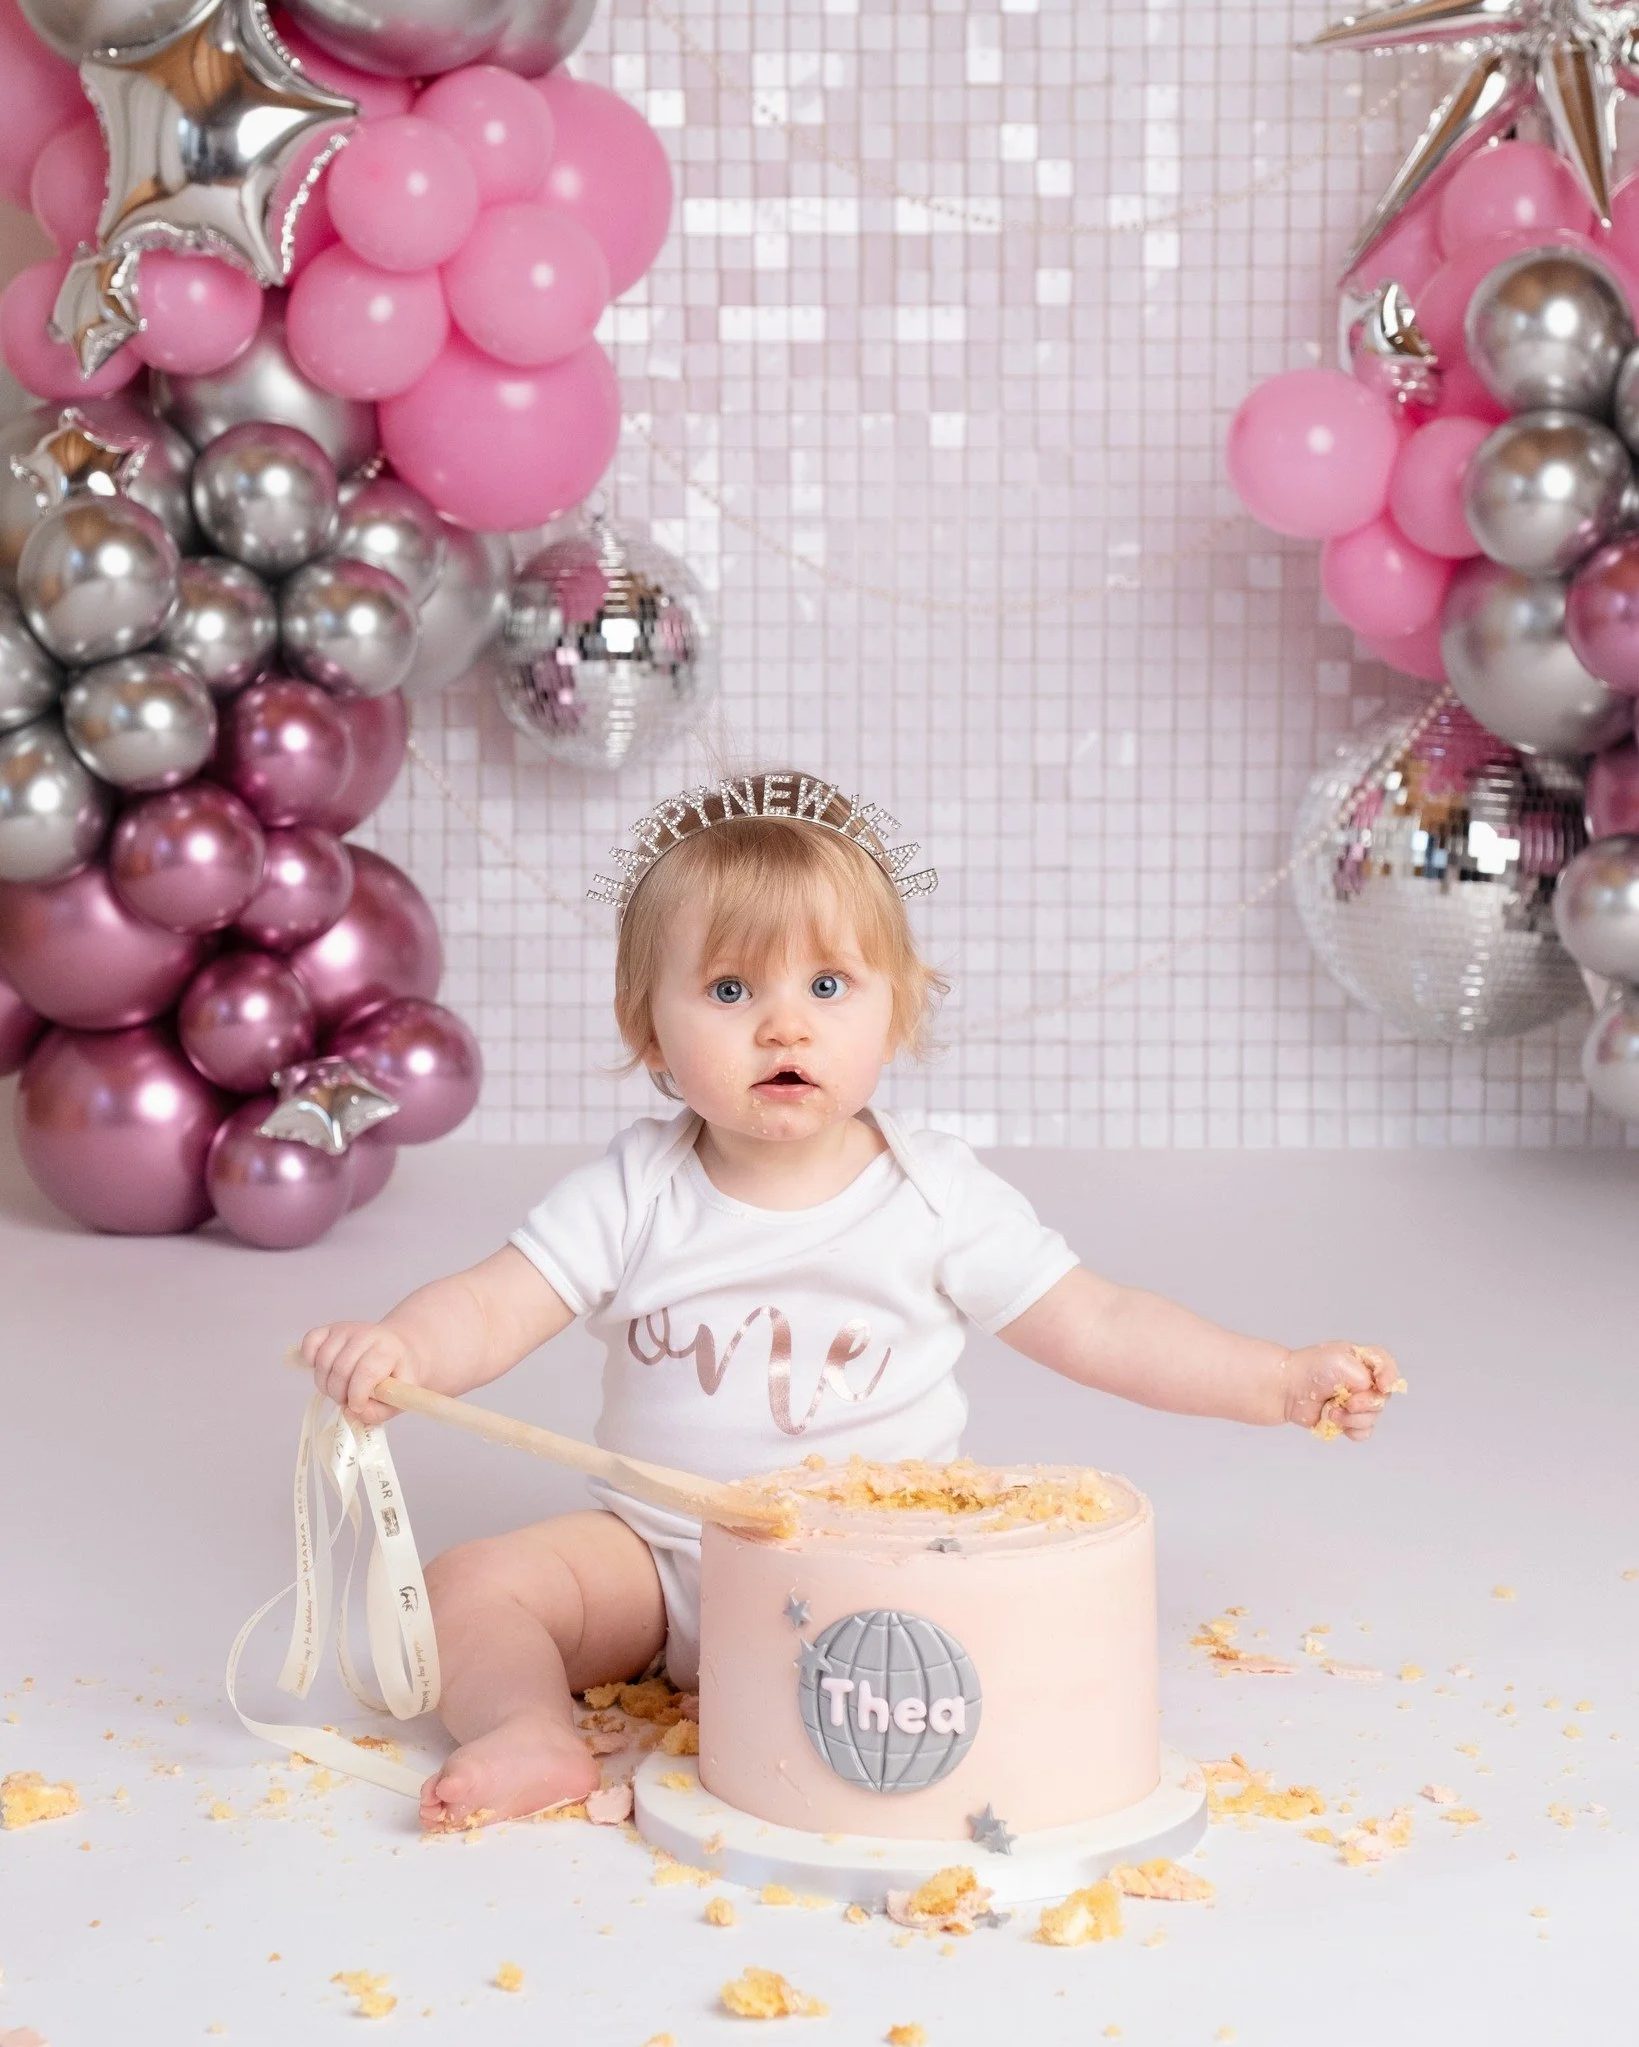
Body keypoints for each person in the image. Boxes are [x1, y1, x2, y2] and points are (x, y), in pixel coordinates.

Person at [300, 769, 1400, 1832]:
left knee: (982, 1621)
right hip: (663, 1562)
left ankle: (860, 1715)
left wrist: (1272, 1379)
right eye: (730, 990)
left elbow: (1100, 1322)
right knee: (470, 1586)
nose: (784, 1027)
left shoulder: (934, 1195)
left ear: (897, 1010)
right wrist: (407, 1348)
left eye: (827, 987)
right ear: (647, 1028)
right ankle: (530, 1732)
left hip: (873, 1567)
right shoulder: (635, 1190)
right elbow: (494, 1303)